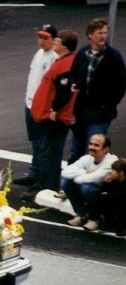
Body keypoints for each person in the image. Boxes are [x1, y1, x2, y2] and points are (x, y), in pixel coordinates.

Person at [21, 29, 78, 201]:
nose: (54, 43)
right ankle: (43, 183)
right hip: (45, 112)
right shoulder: (59, 60)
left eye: (57, 40)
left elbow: (64, 91)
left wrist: (54, 110)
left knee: (49, 153)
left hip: (56, 117)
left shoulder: (65, 64)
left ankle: (45, 187)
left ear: (64, 45)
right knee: (47, 151)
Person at [68, 18, 126, 165]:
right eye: (99, 33)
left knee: (94, 150)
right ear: (90, 35)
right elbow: (73, 72)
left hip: (100, 113)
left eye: (105, 33)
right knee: (76, 149)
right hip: (81, 111)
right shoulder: (82, 53)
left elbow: (120, 84)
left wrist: (108, 106)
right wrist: (75, 83)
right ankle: (70, 184)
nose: (103, 36)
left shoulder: (113, 57)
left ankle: (90, 185)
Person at [13, 24, 58, 188]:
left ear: (54, 39)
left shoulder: (54, 57)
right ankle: (34, 172)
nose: (41, 41)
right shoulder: (38, 54)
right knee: (34, 141)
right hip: (30, 103)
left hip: (42, 106)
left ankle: (42, 180)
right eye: (40, 37)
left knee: (42, 144)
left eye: (45, 38)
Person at [61, 133, 118, 231]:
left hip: (108, 197)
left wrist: (77, 176)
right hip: (92, 190)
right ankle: (82, 215)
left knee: (87, 187)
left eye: (96, 145)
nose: (91, 147)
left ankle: (95, 219)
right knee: (66, 183)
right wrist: (85, 171)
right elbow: (65, 172)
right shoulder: (87, 158)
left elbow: (93, 178)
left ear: (106, 149)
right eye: (91, 144)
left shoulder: (111, 161)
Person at [97, 158, 126, 236]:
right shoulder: (113, 181)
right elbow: (102, 193)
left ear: (121, 173)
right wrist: (105, 183)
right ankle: (110, 223)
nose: (111, 172)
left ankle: (122, 226)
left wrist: (109, 194)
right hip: (116, 204)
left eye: (113, 170)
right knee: (103, 199)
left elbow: (122, 194)